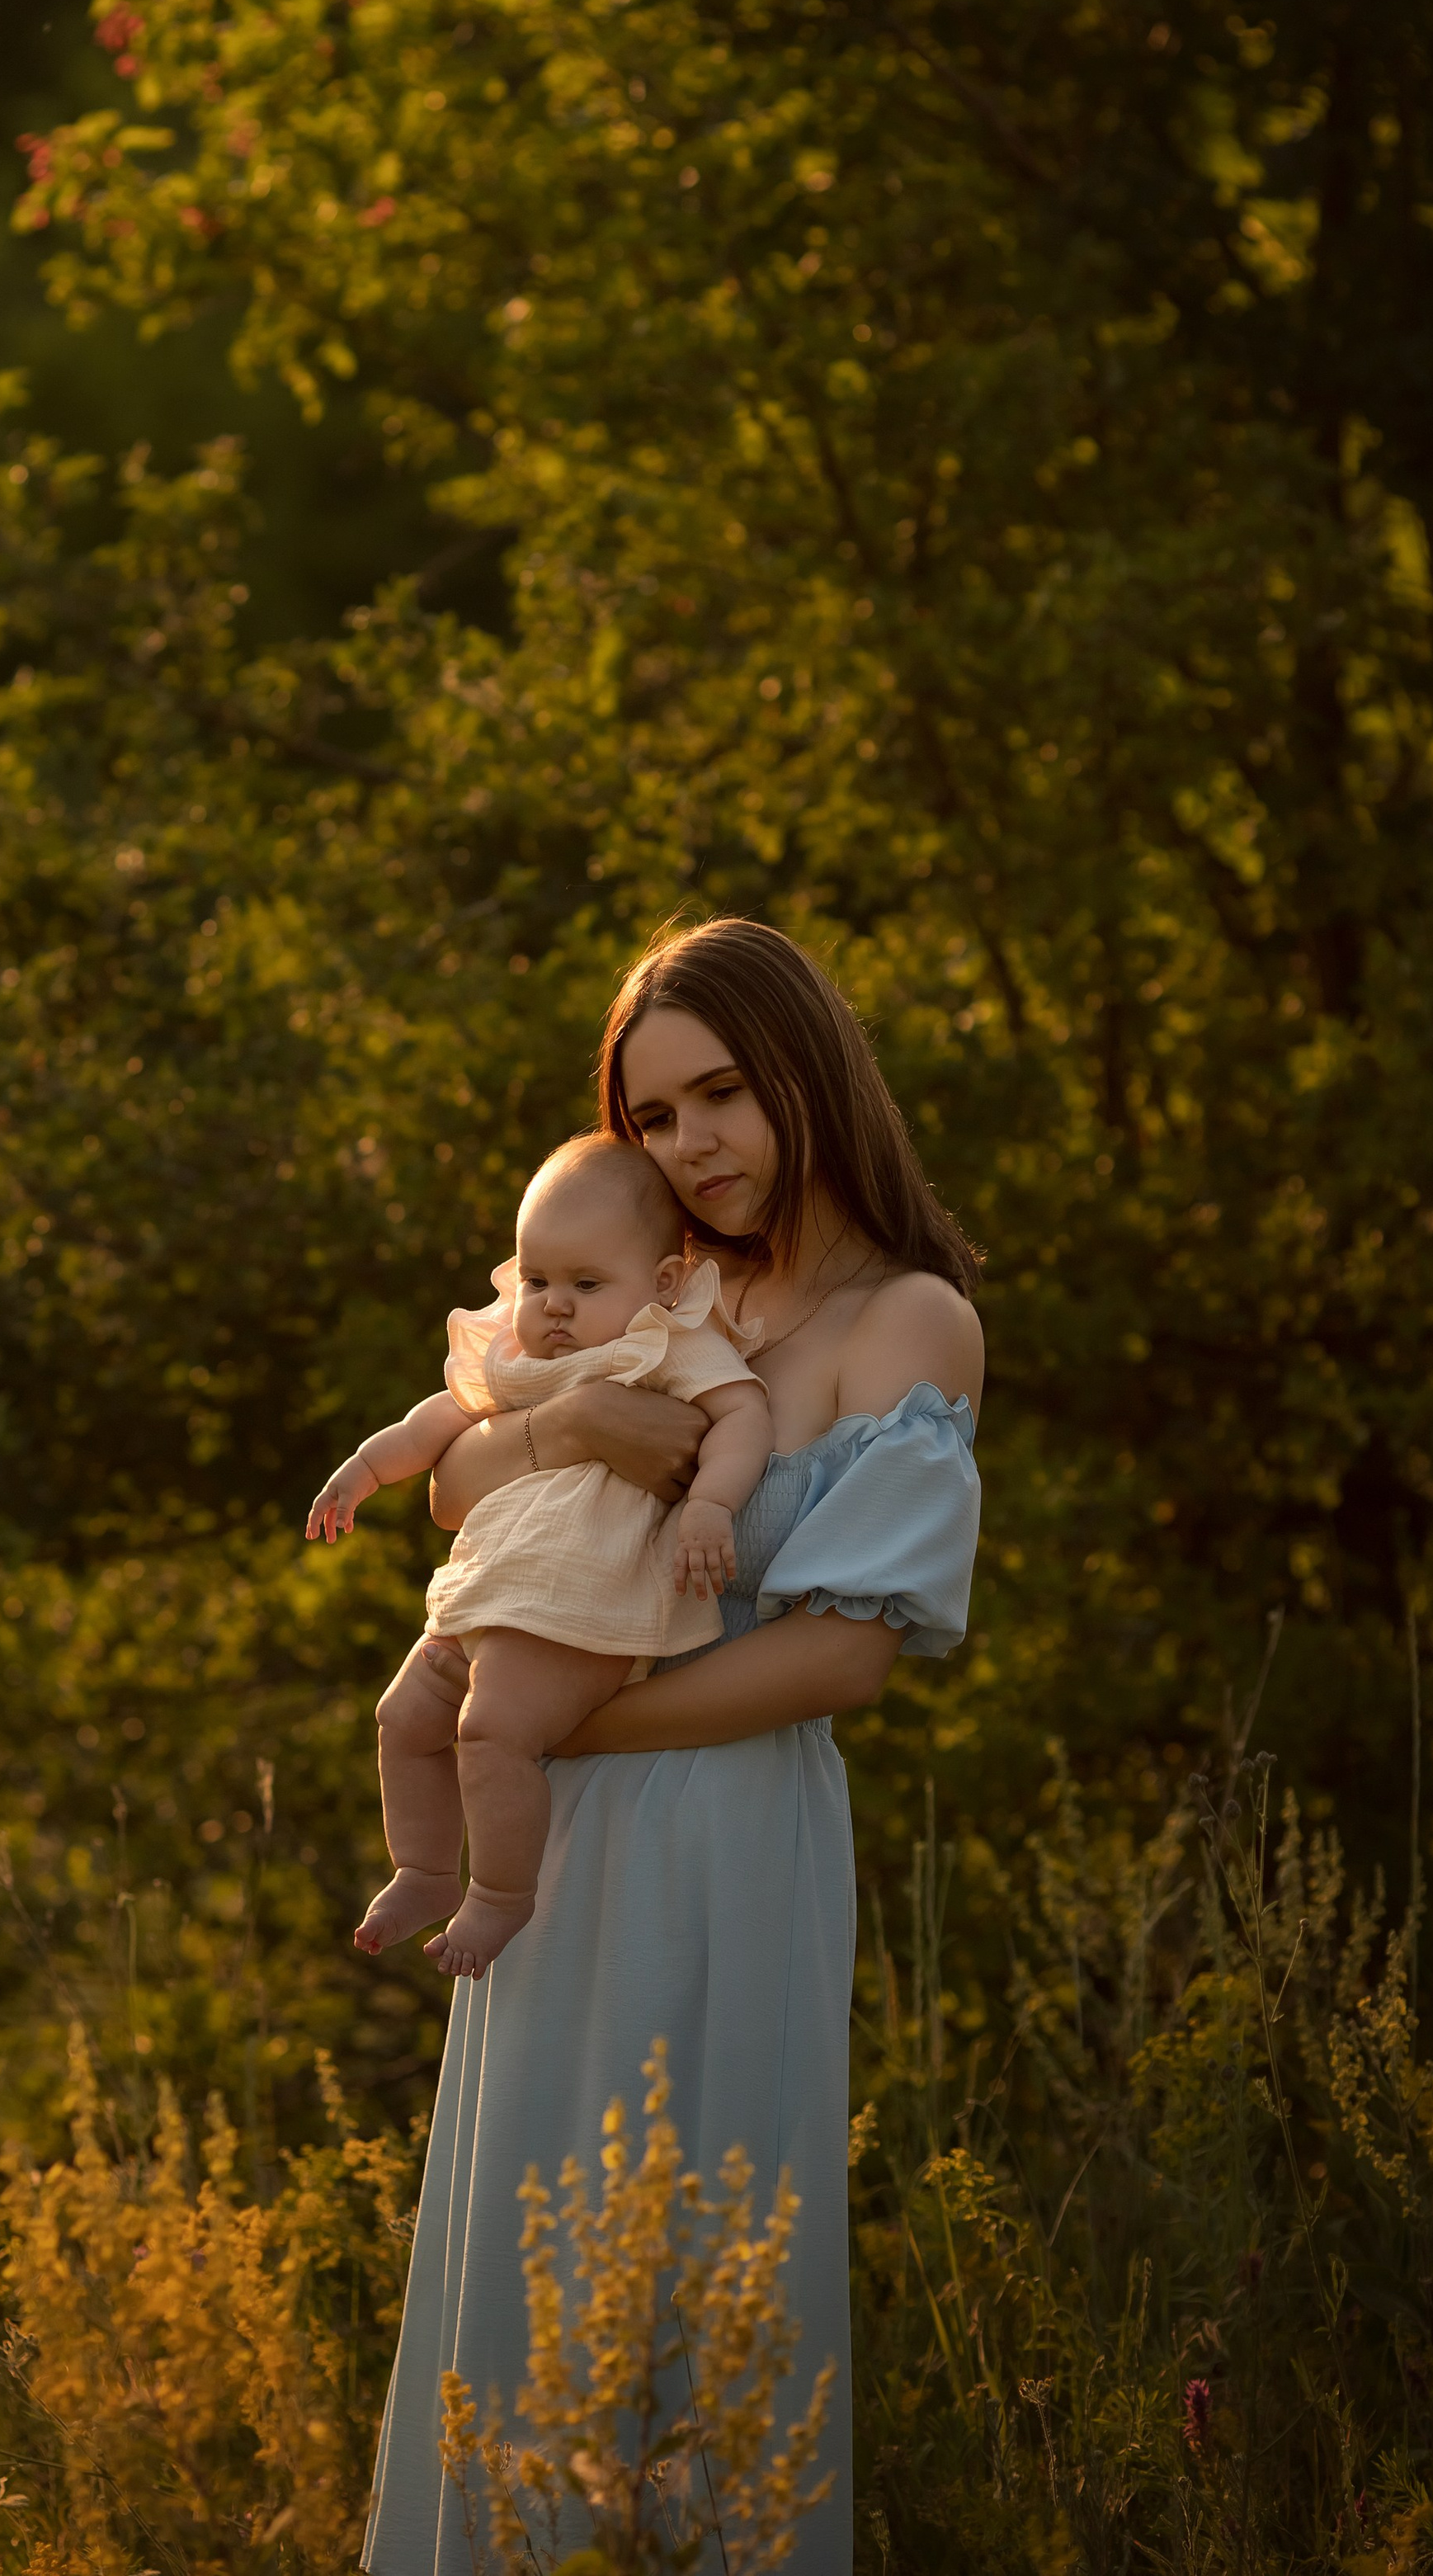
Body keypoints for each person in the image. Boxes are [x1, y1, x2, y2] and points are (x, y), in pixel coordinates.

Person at [361, 917, 984, 2576]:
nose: (689, 1144)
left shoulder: (896, 1325)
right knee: (532, 2253)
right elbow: (458, 1486)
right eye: (651, 1117)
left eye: (721, 1094)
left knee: (695, 2253)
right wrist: (562, 1421)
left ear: (806, 1073)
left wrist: (571, 1717)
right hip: (543, 1834)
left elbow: (847, 1652)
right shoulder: (668, 1285)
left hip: (719, 1829)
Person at [306, 1132, 773, 1979]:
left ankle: (501, 1896)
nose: (554, 1305)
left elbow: (744, 1417)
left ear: (663, 1284)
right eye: (536, 1280)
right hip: (487, 1600)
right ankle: (422, 1869)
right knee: (404, 1720)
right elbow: (438, 1424)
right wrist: (363, 1470)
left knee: (488, 1733)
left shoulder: (665, 1344)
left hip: (578, 1609)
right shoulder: (521, 1356)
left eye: (585, 1284)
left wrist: (710, 1504)